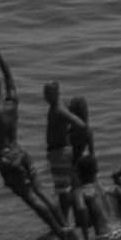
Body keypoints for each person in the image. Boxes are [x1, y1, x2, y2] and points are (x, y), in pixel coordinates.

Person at [0, 41, 64, 240]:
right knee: (41, 191)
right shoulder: (12, 103)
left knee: (30, 198)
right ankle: (65, 224)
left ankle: (59, 231)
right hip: (21, 152)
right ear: (0, 92)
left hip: (7, 160)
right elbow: (9, 78)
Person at [42, 79, 78, 231]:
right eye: (44, 92)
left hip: (60, 152)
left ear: (56, 93)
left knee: (63, 190)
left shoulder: (58, 109)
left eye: (48, 93)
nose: (44, 96)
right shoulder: (57, 106)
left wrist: (69, 136)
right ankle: (67, 219)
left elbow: (79, 123)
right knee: (65, 188)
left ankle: (65, 222)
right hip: (59, 151)